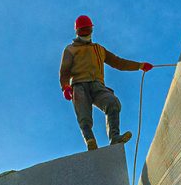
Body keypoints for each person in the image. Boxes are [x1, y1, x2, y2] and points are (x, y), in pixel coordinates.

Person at [59, 15, 153, 150]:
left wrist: (140, 65)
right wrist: (65, 87)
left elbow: (118, 62)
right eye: (82, 31)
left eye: (87, 30)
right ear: (77, 32)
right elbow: (64, 71)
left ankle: (115, 138)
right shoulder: (70, 49)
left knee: (112, 103)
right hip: (79, 86)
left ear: (91, 30)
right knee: (84, 117)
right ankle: (90, 141)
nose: (85, 33)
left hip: (97, 85)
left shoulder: (99, 49)